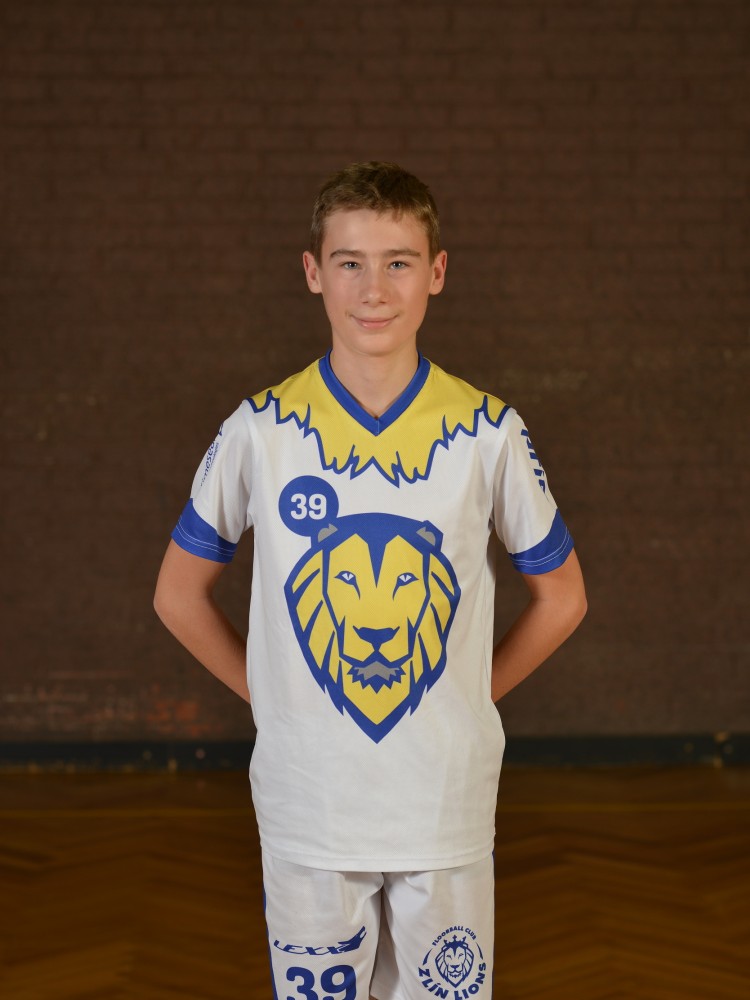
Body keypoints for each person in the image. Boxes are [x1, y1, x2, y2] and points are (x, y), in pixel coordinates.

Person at [154, 161, 587, 1000]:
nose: (374, 289)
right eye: (349, 261)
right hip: (309, 800)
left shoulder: (487, 431)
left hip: (442, 801)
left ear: (437, 272)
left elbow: (563, 597)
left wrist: (469, 692)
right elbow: (177, 594)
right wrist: (274, 695)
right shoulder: (260, 431)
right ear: (313, 272)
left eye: (398, 262)